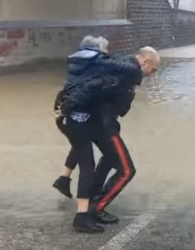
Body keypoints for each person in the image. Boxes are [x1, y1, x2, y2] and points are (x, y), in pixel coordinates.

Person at [54, 36, 160, 233]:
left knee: (107, 160)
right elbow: (93, 87)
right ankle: (95, 207)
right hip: (104, 126)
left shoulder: (125, 69)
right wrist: (67, 106)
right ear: (144, 61)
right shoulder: (126, 72)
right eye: (153, 69)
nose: (152, 75)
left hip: (100, 123)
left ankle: (89, 201)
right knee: (126, 170)